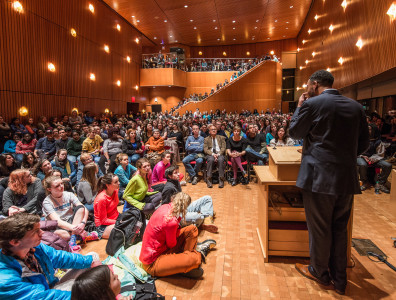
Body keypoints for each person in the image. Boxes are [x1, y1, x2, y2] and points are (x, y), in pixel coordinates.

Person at [289, 70, 369, 295]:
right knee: (339, 228)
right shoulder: (355, 107)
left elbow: (295, 131)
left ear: (315, 84)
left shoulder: (312, 104)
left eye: (308, 85)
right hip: (346, 178)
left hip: (318, 178)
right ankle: (340, 279)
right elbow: (363, 145)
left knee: (320, 228)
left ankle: (320, 272)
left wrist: (299, 105)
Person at [0, 213, 100, 300]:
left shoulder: (35, 247)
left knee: (93, 257)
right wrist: (86, 296)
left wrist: (89, 261)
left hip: (50, 287)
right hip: (45, 294)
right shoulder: (5, 279)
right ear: (15, 242)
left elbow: (59, 257)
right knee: (89, 288)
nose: (42, 233)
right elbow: (42, 297)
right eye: (36, 231)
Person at [139, 192, 216, 278]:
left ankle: (184, 264)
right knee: (195, 259)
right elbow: (171, 244)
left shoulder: (165, 207)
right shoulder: (171, 221)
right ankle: (195, 255)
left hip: (161, 249)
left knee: (192, 229)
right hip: (152, 262)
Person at [42, 176, 98, 252]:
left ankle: (72, 241)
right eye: (57, 186)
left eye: (61, 183)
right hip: (59, 226)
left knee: (81, 207)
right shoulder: (47, 202)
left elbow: (84, 209)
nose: (61, 186)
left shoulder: (69, 194)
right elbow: (58, 222)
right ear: (49, 189)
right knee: (58, 234)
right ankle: (82, 236)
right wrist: (77, 229)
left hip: (72, 222)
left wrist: (82, 223)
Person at [161, 166, 218, 233]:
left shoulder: (176, 182)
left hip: (184, 207)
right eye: (175, 173)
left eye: (178, 172)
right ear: (170, 176)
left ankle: (204, 218)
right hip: (178, 214)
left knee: (207, 198)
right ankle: (205, 217)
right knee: (197, 216)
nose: (179, 174)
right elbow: (166, 207)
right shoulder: (168, 189)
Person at [357, 124, 391, 193]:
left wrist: (373, 158)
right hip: (361, 157)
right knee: (363, 165)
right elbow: (355, 151)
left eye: (369, 129)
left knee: (388, 165)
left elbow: (380, 154)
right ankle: (364, 182)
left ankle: (381, 183)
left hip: (375, 158)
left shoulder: (378, 141)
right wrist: (363, 156)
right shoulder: (360, 139)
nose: (367, 130)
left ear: (373, 131)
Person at [94, 174, 120, 239]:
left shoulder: (115, 190)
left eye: (118, 181)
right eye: (116, 182)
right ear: (107, 185)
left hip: (115, 219)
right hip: (103, 226)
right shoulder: (102, 199)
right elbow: (103, 221)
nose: (119, 183)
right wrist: (119, 222)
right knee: (124, 231)